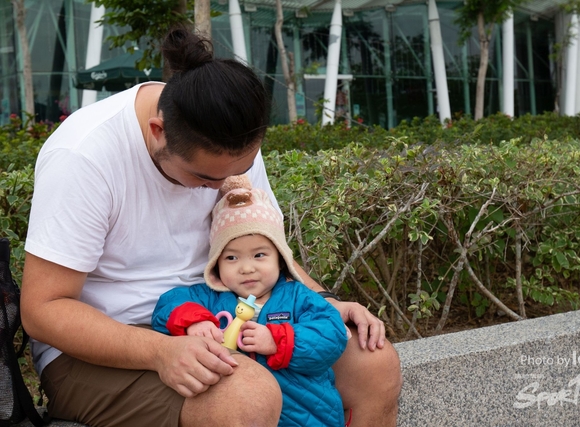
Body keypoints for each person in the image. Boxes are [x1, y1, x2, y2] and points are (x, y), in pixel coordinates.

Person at [21, 27, 401, 427]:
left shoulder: (226, 141)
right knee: (246, 398)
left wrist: (324, 301)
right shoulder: (84, 157)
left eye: (238, 170)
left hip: (224, 312)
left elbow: (262, 245)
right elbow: (43, 310)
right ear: (158, 132)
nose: (223, 187)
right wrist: (159, 351)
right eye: (204, 178)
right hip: (102, 348)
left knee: (374, 362)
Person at [152, 175, 349, 426]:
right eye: (231, 258)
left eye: (259, 255)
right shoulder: (209, 297)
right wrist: (195, 322)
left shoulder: (298, 297)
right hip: (242, 410)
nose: (246, 268)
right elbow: (168, 304)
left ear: (280, 258)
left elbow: (332, 334)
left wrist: (278, 340)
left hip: (307, 414)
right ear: (216, 263)